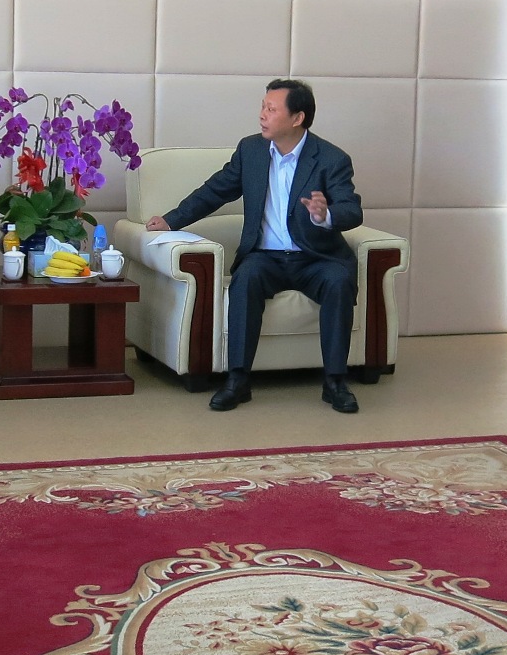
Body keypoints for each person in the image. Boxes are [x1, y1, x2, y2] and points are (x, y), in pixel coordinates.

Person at [147, 79, 364, 413]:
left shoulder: (331, 159)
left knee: (339, 281)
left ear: (297, 118)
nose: (262, 115)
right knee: (245, 279)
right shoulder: (251, 150)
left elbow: (352, 210)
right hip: (265, 258)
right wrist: (171, 220)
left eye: (271, 109)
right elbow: (215, 190)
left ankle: (335, 382)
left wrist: (326, 215)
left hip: (316, 257)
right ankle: (238, 381)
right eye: (263, 106)